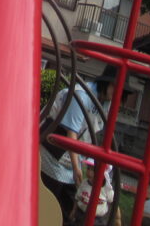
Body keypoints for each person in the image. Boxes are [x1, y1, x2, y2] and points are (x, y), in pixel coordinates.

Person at [40, 67, 119, 221]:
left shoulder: (106, 102)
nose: (117, 94)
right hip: (52, 150)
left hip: (70, 158)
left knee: (70, 206)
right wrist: (77, 168)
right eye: (115, 87)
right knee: (49, 199)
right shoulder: (81, 96)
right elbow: (72, 132)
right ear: (106, 83)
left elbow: (95, 132)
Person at [68, 158, 120, 226]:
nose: (89, 172)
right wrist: (73, 211)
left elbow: (114, 202)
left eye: (93, 170)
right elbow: (77, 198)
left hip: (97, 219)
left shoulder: (106, 188)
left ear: (103, 173)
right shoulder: (84, 183)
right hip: (81, 214)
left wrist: (118, 219)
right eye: (88, 168)